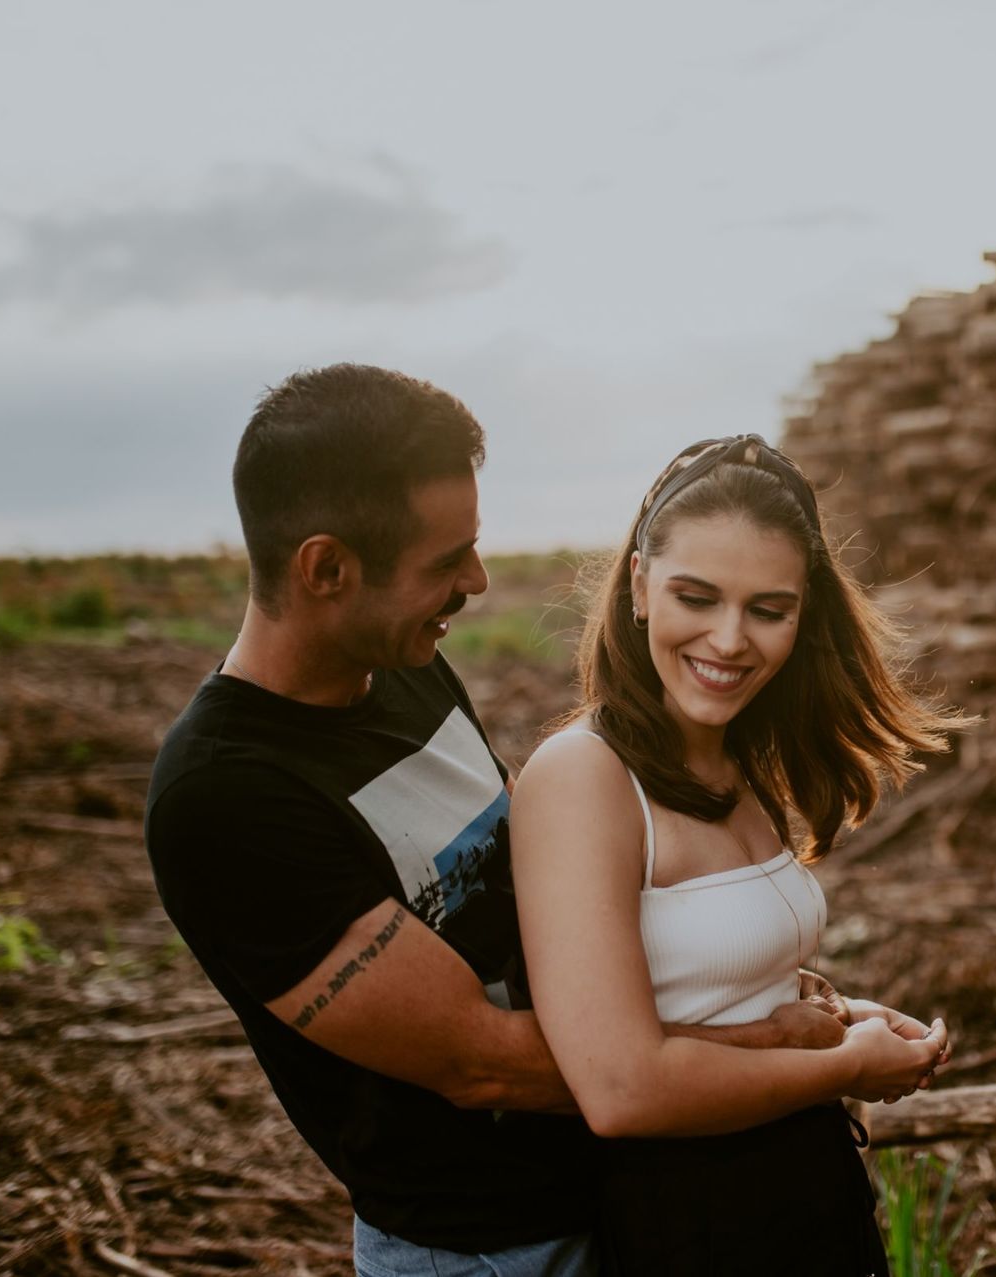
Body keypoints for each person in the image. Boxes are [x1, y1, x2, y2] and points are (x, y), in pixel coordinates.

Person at [144, 367, 923, 1277]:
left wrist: (751, 981)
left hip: (608, 1191)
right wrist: (781, 1040)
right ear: (326, 568)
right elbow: (489, 1063)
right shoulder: (226, 797)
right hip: (486, 1245)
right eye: (446, 561)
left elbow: (550, 905)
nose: (475, 579)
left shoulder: (398, 667)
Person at [511, 434, 968, 1277]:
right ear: (641, 586)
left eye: (768, 609)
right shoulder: (585, 778)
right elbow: (621, 1090)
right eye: (697, 596)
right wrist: (845, 1064)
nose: (730, 640)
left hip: (806, 1192)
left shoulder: (729, 757)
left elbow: (713, 991)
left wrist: (851, 1017)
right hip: (694, 1222)